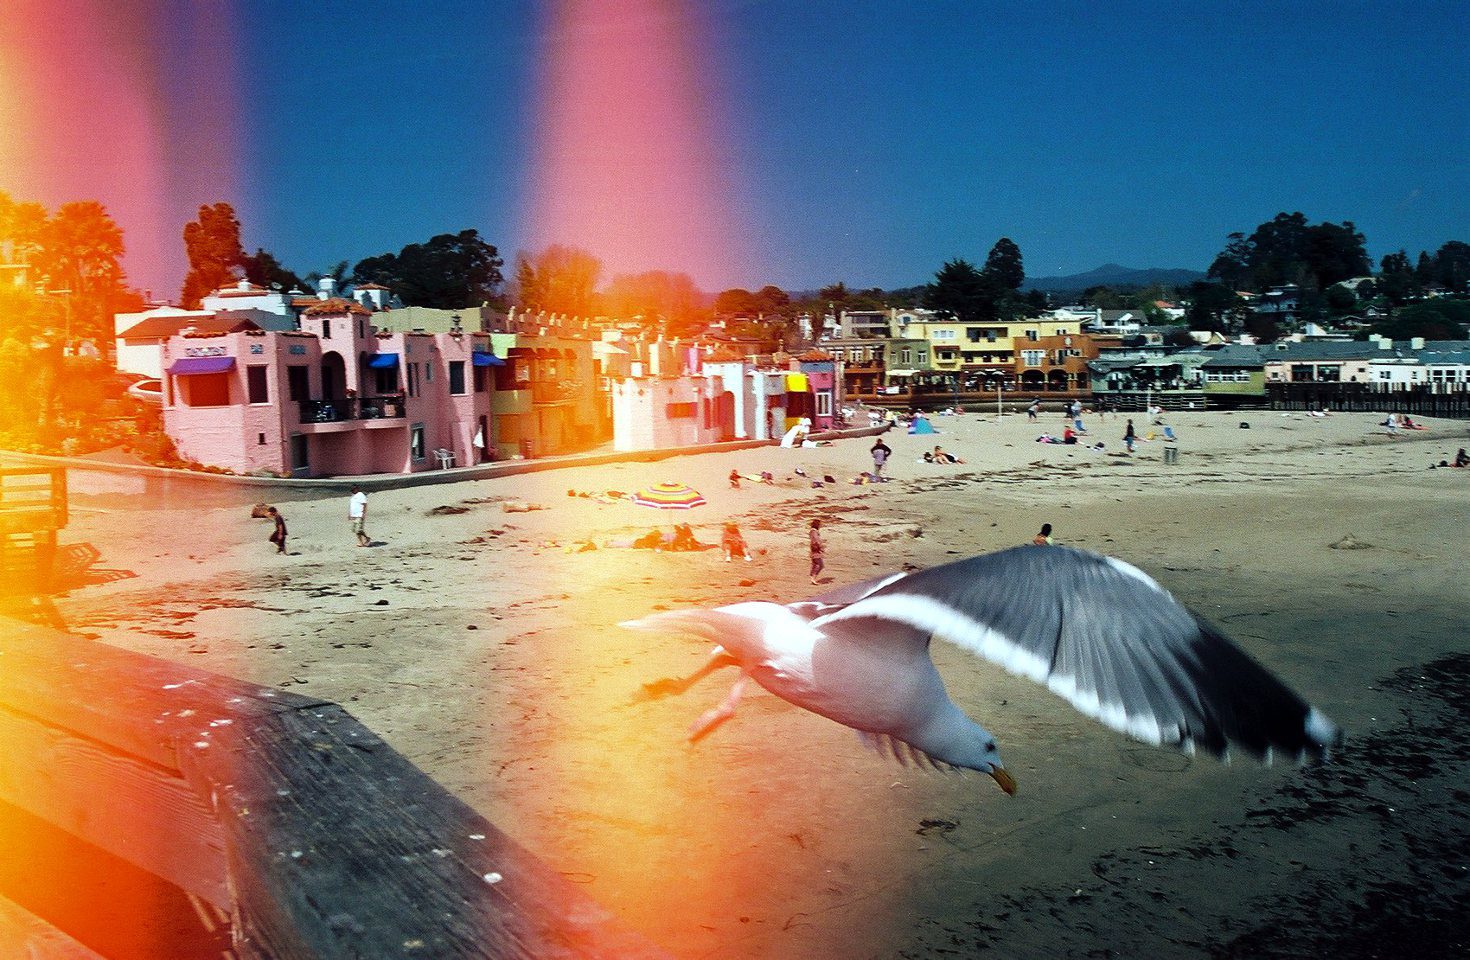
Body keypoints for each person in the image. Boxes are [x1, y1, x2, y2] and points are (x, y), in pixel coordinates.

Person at [809, 519, 825, 585]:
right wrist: (821, 547)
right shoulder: (814, 531)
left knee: (815, 564)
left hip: (814, 549)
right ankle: (813, 578)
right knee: (820, 565)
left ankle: (812, 577)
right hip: (816, 549)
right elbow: (816, 540)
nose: (820, 525)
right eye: (820, 524)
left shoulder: (812, 531)